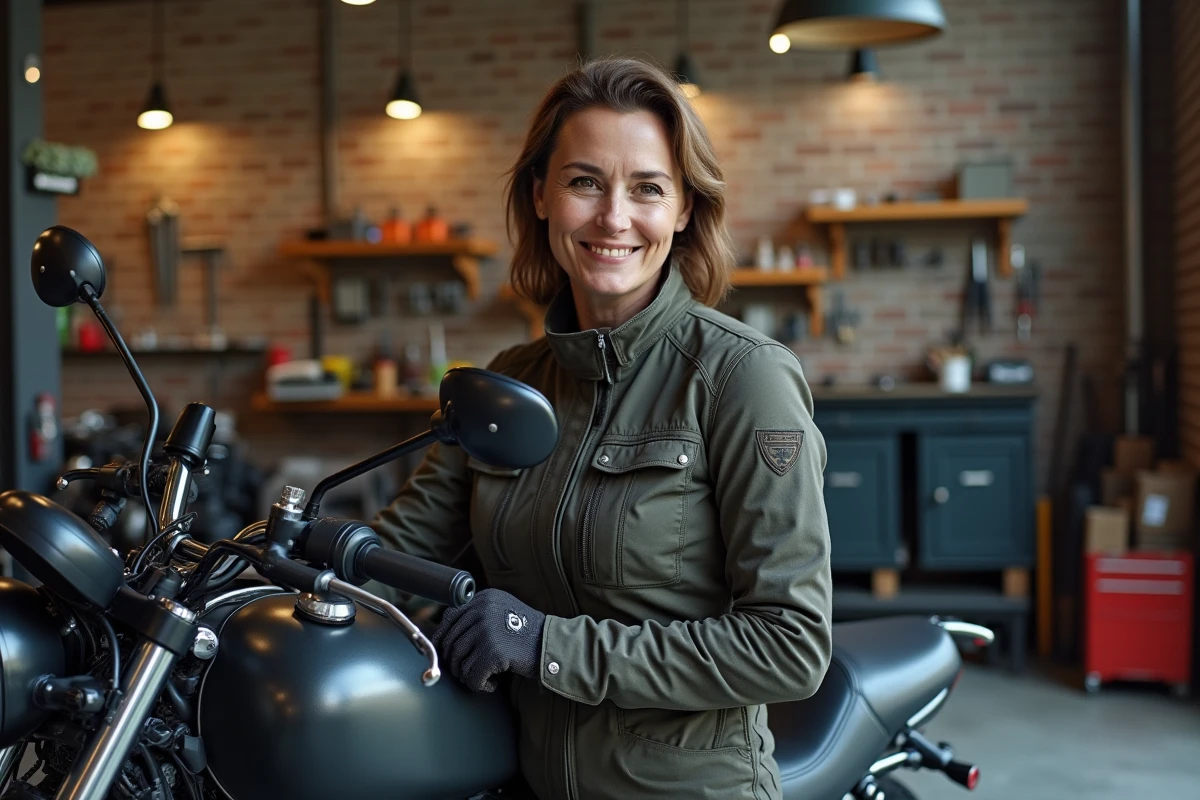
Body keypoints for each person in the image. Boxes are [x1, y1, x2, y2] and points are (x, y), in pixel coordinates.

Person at [374, 57, 832, 800]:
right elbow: (396, 554)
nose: (614, 218)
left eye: (647, 188)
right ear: (542, 196)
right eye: (584, 181)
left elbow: (789, 646)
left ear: (683, 210)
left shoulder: (743, 377)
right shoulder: (510, 379)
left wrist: (544, 644)